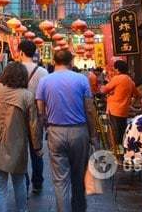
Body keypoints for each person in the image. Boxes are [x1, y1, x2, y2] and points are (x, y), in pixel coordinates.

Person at [36, 49, 98, 212]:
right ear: (71, 62)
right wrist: (93, 136)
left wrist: (41, 135)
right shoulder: (82, 80)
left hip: (55, 132)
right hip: (79, 132)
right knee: (78, 178)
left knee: (60, 180)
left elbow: (41, 112)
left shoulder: (44, 81)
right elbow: (90, 109)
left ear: (54, 62)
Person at [0, 62, 42, 212]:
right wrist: (37, 147)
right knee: (19, 182)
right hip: (16, 145)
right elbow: (33, 125)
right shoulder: (27, 96)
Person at [19, 39, 48, 194]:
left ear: (21, 52)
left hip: (18, 116)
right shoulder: (43, 72)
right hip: (36, 116)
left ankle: (24, 182)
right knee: (36, 150)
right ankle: (38, 182)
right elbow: (46, 97)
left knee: (21, 151)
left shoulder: (14, 69)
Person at [100, 60, 136, 144]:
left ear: (117, 69)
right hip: (124, 111)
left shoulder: (117, 78)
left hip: (114, 110)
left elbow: (104, 90)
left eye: (114, 69)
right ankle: (122, 150)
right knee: (122, 132)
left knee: (114, 133)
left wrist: (108, 91)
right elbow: (136, 94)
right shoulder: (130, 80)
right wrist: (130, 102)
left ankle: (115, 152)